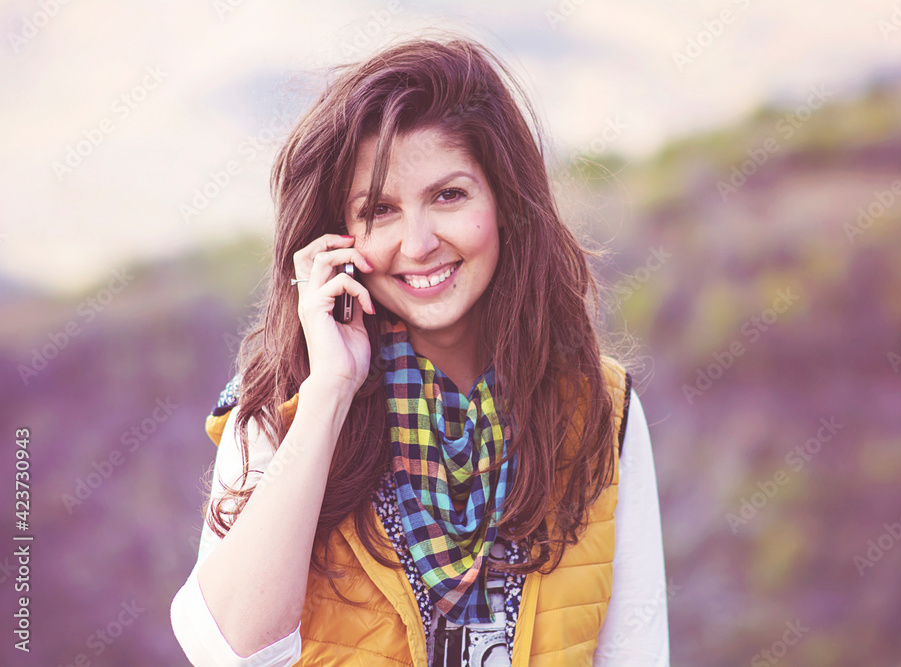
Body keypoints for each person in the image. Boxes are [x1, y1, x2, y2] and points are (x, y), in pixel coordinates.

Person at [170, 34, 668, 666]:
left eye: (448, 195)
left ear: (506, 202)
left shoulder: (600, 406)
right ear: (337, 238)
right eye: (379, 210)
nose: (419, 241)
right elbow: (227, 650)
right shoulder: (281, 397)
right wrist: (330, 391)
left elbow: (636, 653)